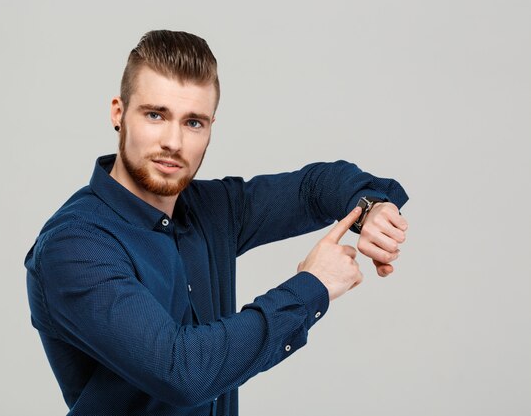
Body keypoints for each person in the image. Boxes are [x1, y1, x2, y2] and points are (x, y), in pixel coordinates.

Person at [25, 29, 409, 416]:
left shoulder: (213, 209)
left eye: (193, 122)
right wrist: (313, 287)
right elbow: (182, 372)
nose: (173, 142)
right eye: (155, 115)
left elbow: (314, 187)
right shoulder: (75, 245)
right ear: (118, 113)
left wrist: (372, 209)